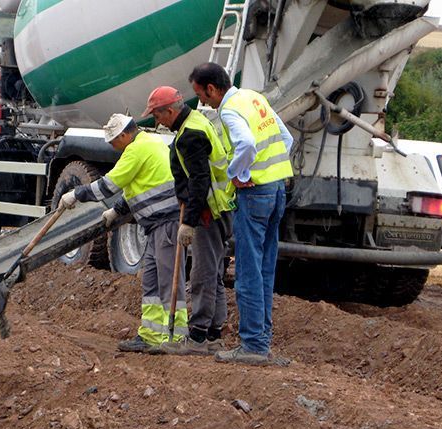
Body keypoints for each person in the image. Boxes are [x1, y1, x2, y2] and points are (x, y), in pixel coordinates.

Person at [189, 62, 294, 365]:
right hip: (276, 190)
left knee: (248, 271)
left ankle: (252, 346)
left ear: (212, 88)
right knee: (265, 269)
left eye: (202, 95)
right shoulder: (253, 98)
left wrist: (238, 172)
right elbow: (286, 139)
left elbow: (246, 143)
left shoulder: (230, 109)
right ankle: (262, 340)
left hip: (255, 193)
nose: (203, 102)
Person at [59, 114, 188, 353]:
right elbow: (139, 185)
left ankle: (175, 337)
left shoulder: (137, 149)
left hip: (167, 223)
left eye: (113, 141)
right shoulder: (149, 143)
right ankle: (150, 334)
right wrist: (117, 210)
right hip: (156, 226)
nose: (111, 146)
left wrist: (76, 194)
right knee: (151, 279)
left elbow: (108, 186)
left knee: (169, 280)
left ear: (124, 135)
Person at [142, 86, 234, 355]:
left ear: (169, 111)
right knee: (213, 272)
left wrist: (189, 222)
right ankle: (214, 332)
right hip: (222, 208)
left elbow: (199, 181)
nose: (157, 122)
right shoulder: (197, 121)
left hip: (209, 211)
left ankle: (197, 337)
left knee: (202, 273)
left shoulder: (189, 136)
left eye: (158, 116)